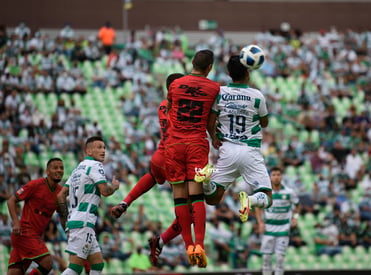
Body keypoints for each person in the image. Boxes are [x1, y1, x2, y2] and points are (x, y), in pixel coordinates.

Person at [110, 73, 185, 266]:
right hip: (174, 161)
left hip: (159, 157)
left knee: (152, 176)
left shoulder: (162, 105)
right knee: (188, 214)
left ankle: (125, 202)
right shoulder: (182, 107)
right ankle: (160, 241)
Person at [199, 55, 273, 222]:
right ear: (248, 73)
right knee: (267, 198)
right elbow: (265, 122)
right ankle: (250, 200)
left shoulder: (221, 92)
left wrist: (213, 137)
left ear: (228, 73)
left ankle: (206, 181)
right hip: (250, 151)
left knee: (212, 198)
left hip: (228, 150)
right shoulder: (256, 95)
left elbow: (210, 120)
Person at [164, 49, 220, 267]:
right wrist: (214, 138)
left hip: (174, 144)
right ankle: (200, 244)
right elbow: (210, 123)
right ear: (209, 68)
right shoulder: (214, 88)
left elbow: (169, 111)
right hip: (196, 144)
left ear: (192, 63)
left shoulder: (175, 85)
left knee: (179, 197)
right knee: (196, 196)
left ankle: (188, 246)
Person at [56, 136, 120, 275]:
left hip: (79, 222)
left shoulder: (77, 169)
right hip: (83, 223)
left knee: (97, 265)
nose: (103, 151)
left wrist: (67, 219)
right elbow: (105, 191)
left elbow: (61, 195)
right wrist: (114, 187)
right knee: (75, 268)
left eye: (104, 147)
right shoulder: (95, 165)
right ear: (88, 151)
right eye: (99, 147)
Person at [7, 158, 64, 275]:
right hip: (25, 232)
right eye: (55, 168)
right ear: (47, 171)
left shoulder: (60, 193)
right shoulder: (35, 185)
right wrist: (16, 222)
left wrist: (69, 233)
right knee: (47, 263)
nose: (59, 170)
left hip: (34, 236)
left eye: (61, 168)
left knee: (15, 272)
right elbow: (11, 201)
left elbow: (63, 215)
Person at [254, 166, 300, 275]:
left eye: (278, 175)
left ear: (281, 176)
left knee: (279, 259)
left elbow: (297, 206)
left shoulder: (289, 192)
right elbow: (257, 207)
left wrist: (295, 218)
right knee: (266, 258)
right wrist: (260, 223)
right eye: (274, 175)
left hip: (283, 229)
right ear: (270, 177)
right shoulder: (265, 193)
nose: (276, 177)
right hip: (268, 229)